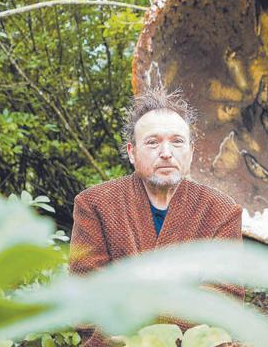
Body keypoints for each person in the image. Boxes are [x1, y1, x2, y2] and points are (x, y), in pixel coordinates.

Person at [69, 87, 242, 345]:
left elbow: (222, 299)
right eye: (152, 142)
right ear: (131, 152)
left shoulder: (222, 211)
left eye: (177, 141)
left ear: (191, 152)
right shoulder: (94, 205)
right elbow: (87, 297)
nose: (166, 152)